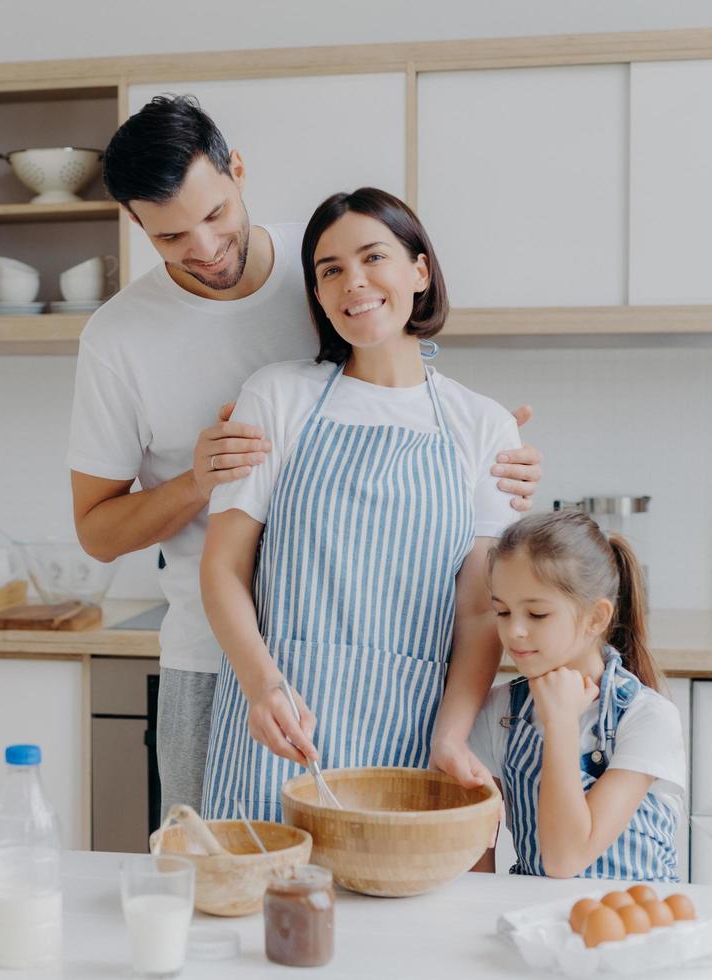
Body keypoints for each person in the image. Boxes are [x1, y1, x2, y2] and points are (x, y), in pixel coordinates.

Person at [67, 95, 543, 818]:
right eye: (169, 237)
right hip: (220, 657)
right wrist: (199, 481)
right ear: (136, 226)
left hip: (404, 677)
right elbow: (98, 533)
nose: (203, 247)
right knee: (220, 885)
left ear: (237, 171)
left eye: (216, 215)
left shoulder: (319, 256)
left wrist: (488, 450)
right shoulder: (121, 339)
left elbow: (396, 355)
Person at [200, 187, 521, 821]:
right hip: (281, 730)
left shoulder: (482, 426)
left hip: (411, 734)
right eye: (331, 270)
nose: (355, 282)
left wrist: (451, 738)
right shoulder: (276, 398)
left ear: (419, 271)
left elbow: (479, 607)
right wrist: (262, 686)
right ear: (317, 295)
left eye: (374, 257)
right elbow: (223, 567)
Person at [469, 510, 684, 881]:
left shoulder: (647, 717)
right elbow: (476, 862)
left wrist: (562, 724)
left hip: (637, 928)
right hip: (533, 926)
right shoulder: (498, 712)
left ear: (596, 618)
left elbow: (564, 859)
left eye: (536, 614)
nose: (514, 631)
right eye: (502, 611)